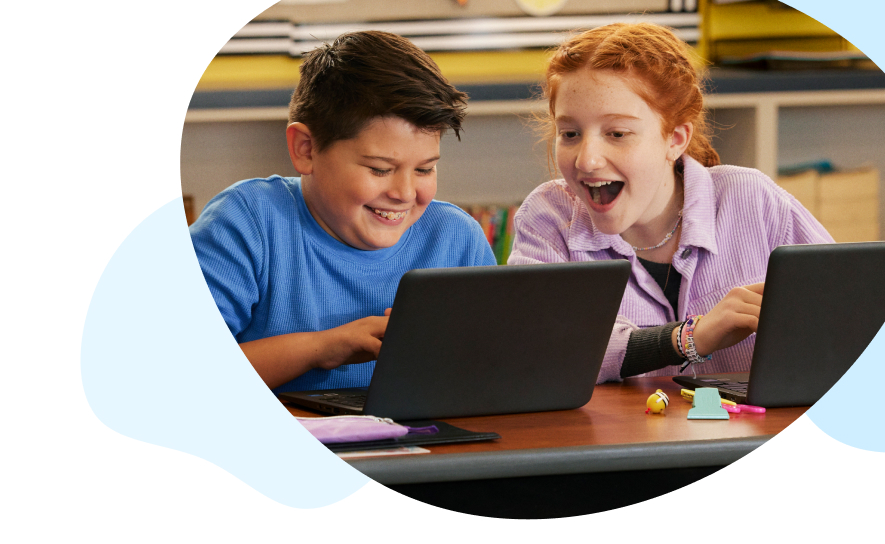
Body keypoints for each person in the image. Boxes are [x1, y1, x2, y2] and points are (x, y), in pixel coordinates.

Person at [508, 22, 833, 383]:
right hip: (621, 440)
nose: (586, 160)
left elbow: (849, 313)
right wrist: (691, 337)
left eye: (617, 134)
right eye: (569, 134)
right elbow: (542, 352)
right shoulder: (549, 216)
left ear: (675, 139)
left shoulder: (753, 199)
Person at [190, 31, 496, 393]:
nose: (404, 193)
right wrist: (324, 348)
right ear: (306, 149)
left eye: (425, 169)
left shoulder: (457, 238)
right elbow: (175, 370)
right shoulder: (245, 222)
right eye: (380, 169)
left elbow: (493, 371)